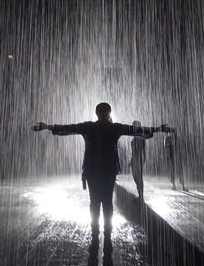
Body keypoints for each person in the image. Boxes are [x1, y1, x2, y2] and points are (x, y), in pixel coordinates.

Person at [31, 102, 173, 252]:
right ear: (109, 113)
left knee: (94, 202)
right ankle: (107, 237)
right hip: (108, 170)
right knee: (107, 203)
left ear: (96, 113)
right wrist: (158, 129)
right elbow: (136, 130)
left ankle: (94, 236)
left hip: (92, 170)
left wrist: (47, 126)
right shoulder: (114, 128)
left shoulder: (89, 127)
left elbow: (68, 128)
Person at [129, 120, 146, 204]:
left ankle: (141, 197)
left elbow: (142, 152)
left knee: (138, 178)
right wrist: (132, 160)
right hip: (135, 161)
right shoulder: (136, 138)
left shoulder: (140, 138)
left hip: (138, 161)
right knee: (136, 178)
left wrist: (141, 161)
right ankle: (140, 196)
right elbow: (134, 152)